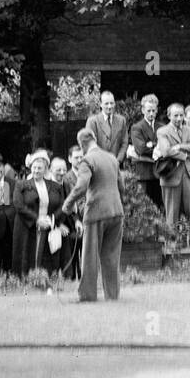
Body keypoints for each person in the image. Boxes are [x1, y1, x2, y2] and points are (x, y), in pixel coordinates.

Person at [63, 127, 125, 302]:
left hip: (96, 212)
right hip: (116, 212)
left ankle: (88, 296)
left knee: (90, 257)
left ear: (82, 143)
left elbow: (81, 186)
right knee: (112, 257)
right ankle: (112, 296)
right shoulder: (112, 158)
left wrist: (67, 205)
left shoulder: (87, 160)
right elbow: (122, 187)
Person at [154, 101, 190, 251]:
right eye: (175, 115)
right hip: (171, 176)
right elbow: (166, 151)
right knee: (172, 212)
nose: (178, 118)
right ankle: (172, 244)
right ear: (169, 116)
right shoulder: (162, 131)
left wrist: (180, 146)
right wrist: (184, 155)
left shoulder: (189, 130)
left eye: (181, 115)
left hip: (189, 174)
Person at [12, 150, 65, 275]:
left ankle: (44, 278)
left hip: (47, 225)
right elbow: (19, 205)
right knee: (27, 253)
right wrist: (37, 219)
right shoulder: (21, 185)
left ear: (46, 169)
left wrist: (51, 219)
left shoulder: (55, 186)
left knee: (45, 255)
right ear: (30, 168)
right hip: (27, 225)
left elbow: (62, 205)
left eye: (40, 168)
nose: (36, 170)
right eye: (34, 167)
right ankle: (26, 279)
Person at [129, 94, 164, 209]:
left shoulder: (162, 127)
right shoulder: (137, 127)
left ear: (157, 110)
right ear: (143, 110)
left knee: (160, 208)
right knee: (145, 209)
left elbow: (166, 147)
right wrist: (156, 146)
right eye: (148, 110)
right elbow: (141, 149)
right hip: (144, 173)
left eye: (153, 110)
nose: (151, 113)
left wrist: (151, 144)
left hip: (160, 173)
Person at [89, 90, 130, 166]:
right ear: (100, 104)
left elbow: (124, 143)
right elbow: (91, 144)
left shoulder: (121, 120)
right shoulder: (93, 121)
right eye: (106, 103)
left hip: (116, 165)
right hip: (99, 166)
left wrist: (118, 160)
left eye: (112, 103)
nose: (109, 106)